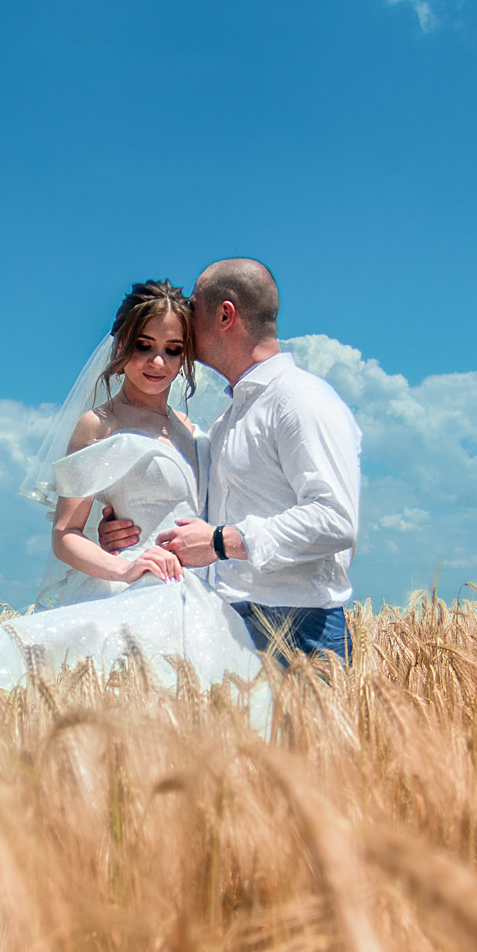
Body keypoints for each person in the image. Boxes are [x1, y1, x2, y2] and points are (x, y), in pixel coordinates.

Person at [0, 281, 267, 729]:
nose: (158, 362)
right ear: (121, 345)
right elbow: (64, 535)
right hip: (144, 587)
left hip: (204, 594)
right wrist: (124, 567)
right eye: (144, 346)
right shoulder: (99, 425)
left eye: (173, 349)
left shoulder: (185, 424)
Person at [98, 257, 361, 663]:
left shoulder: (300, 400)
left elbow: (335, 519)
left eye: (194, 306)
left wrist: (221, 542)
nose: (183, 316)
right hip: (224, 622)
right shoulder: (224, 422)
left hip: (297, 627)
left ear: (225, 315)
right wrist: (131, 525)